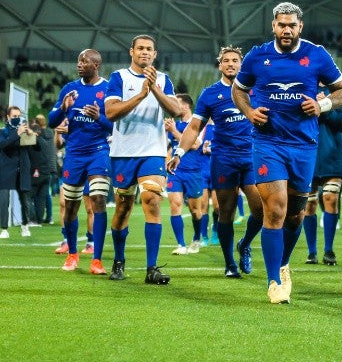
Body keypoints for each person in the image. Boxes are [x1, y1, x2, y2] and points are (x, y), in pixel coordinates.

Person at [232, 2, 342, 303]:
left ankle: (283, 264)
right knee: (276, 208)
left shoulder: (317, 55)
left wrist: (322, 106)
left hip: (304, 146)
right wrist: (248, 112)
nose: (286, 30)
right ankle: (273, 282)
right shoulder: (258, 56)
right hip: (268, 143)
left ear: (300, 27)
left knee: (296, 216)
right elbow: (238, 90)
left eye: (291, 25)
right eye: (281, 24)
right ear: (273, 26)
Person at [168, 46, 264, 278]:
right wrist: (179, 152)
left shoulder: (256, 90)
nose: (231, 64)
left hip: (252, 157)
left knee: (261, 210)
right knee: (225, 212)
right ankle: (230, 264)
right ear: (220, 65)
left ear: (242, 65)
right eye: (226, 60)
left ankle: (245, 244)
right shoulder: (210, 94)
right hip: (224, 159)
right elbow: (194, 127)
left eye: (235, 60)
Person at [104, 34, 180, 285]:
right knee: (123, 207)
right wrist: (140, 95)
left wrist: (155, 89)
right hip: (123, 152)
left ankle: (152, 268)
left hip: (153, 151)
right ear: (132, 51)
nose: (145, 52)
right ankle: (118, 260)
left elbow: (177, 111)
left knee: (151, 200)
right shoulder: (119, 77)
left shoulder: (164, 80)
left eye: (149, 49)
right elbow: (111, 113)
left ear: (155, 54)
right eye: (140, 48)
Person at [48, 49, 113, 273]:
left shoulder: (108, 90)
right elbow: (51, 121)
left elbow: (116, 127)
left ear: (96, 65)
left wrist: (99, 118)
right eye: (78, 61)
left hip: (99, 151)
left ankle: (97, 260)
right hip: (74, 154)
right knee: (71, 206)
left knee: (98, 200)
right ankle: (73, 254)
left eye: (84, 61)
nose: (79, 64)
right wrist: (64, 108)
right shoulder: (69, 89)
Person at [303, 86, 342, 265]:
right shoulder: (305, 87)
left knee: (330, 199)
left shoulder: (338, 93)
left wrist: (324, 105)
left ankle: (329, 250)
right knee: (309, 204)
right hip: (308, 153)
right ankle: (311, 251)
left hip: (332, 155)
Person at [164, 94, 205, 255]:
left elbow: (194, 145)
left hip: (193, 172)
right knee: (175, 205)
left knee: (196, 211)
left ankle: (196, 239)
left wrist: (174, 131)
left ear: (186, 106)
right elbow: (168, 147)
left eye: (177, 103)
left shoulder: (197, 124)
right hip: (176, 172)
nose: (172, 106)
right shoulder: (173, 125)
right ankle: (181, 244)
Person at [0, 106, 37, 238]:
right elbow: (3, 145)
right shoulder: (3, 131)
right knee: (3, 199)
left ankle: (25, 225)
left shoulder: (24, 130)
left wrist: (31, 135)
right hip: (6, 169)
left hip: (23, 168)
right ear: (8, 117)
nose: (17, 118)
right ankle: (4, 229)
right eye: (14, 116)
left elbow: (34, 148)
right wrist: (17, 133)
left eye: (18, 116)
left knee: (25, 199)